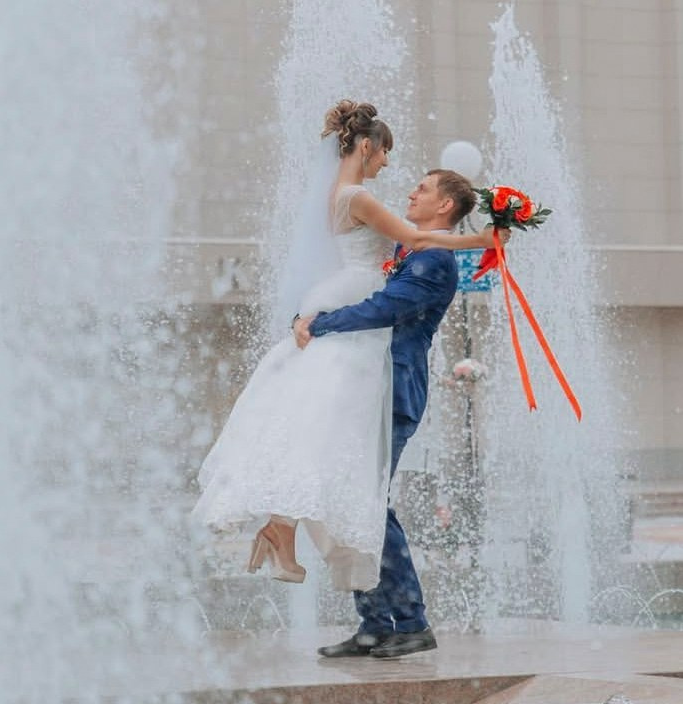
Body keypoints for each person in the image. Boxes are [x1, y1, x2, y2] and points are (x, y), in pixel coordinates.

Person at [192, 100, 492, 597]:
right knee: (327, 438)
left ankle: (281, 529)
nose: (391, 166)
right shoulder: (359, 196)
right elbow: (417, 240)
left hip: (342, 298)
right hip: (352, 307)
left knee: (313, 430)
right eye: (386, 153)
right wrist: (486, 239)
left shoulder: (337, 193)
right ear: (368, 146)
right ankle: (292, 537)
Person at [293, 167, 478, 659]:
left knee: (370, 502)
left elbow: (386, 308)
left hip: (393, 389)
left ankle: (411, 622)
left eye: (423, 188)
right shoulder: (412, 249)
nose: (412, 192)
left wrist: (321, 322)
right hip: (369, 386)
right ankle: (374, 623)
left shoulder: (435, 258)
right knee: (355, 498)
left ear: (445, 206)